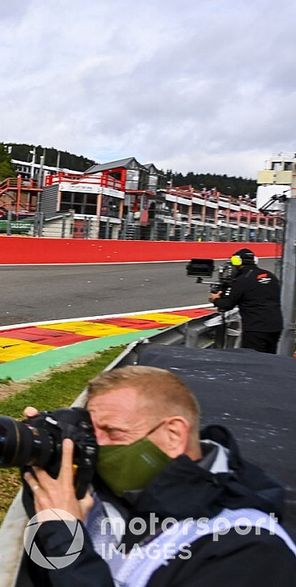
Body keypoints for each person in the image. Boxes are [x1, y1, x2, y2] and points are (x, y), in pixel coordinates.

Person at [23, 366, 296, 586]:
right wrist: (45, 461)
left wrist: (67, 540)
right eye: (94, 434)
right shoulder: (117, 497)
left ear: (174, 435)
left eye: (114, 433)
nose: (99, 448)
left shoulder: (249, 551)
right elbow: (49, 575)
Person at [208, 248, 283, 353]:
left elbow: (226, 305)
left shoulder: (242, 280)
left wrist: (215, 299)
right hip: (276, 326)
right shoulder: (270, 276)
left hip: (256, 328)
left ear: (237, 262)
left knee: (253, 360)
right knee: (269, 358)